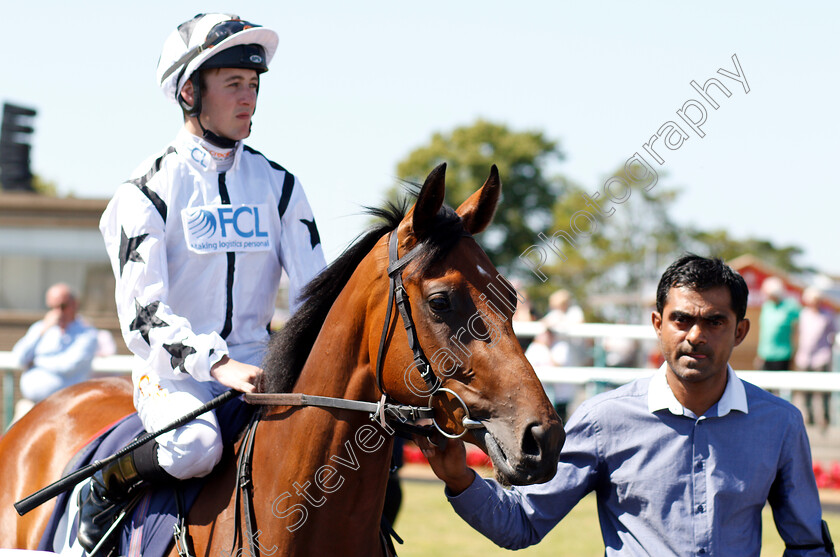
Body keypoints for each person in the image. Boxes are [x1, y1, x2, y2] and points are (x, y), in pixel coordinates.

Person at [79, 13, 326, 551]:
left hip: (264, 367)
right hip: (175, 376)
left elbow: (316, 294)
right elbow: (143, 318)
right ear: (189, 91)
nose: (249, 99)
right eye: (233, 83)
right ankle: (105, 485)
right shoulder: (143, 192)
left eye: (254, 84)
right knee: (194, 447)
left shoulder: (281, 185)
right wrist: (218, 364)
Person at [419, 255, 831, 555]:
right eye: (682, 319)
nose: (695, 335)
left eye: (714, 322)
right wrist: (459, 479)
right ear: (657, 325)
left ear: (740, 331)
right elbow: (523, 523)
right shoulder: (605, 420)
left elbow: (808, 545)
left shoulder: (779, 424)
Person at [11, 283, 98, 421]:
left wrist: (36, 361)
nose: (58, 313)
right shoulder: (41, 328)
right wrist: (42, 331)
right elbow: (18, 357)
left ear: (74, 304)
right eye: (52, 307)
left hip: (66, 409)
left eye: (62, 306)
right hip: (31, 406)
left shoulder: (87, 333)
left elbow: (68, 365)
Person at [795, 287, 837, 427]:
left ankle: (825, 417)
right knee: (805, 390)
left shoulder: (827, 315)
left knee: (824, 390)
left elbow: (833, 334)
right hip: (804, 357)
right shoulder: (803, 315)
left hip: (822, 357)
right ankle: (809, 416)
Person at [757, 276, 800, 371]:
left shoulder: (790, 306)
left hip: (782, 356)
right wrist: (760, 355)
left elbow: (798, 329)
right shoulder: (766, 306)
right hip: (765, 355)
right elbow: (764, 332)